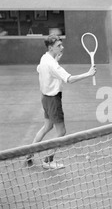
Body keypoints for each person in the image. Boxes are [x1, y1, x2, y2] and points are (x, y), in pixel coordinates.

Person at [26, 34, 96, 170]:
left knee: (47, 126)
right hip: (53, 100)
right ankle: (48, 160)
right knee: (61, 132)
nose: (62, 47)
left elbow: (39, 69)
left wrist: (56, 61)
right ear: (51, 47)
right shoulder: (52, 64)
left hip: (45, 99)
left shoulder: (45, 57)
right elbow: (69, 79)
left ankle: (29, 153)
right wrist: (89, 73)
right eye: (59, 46)